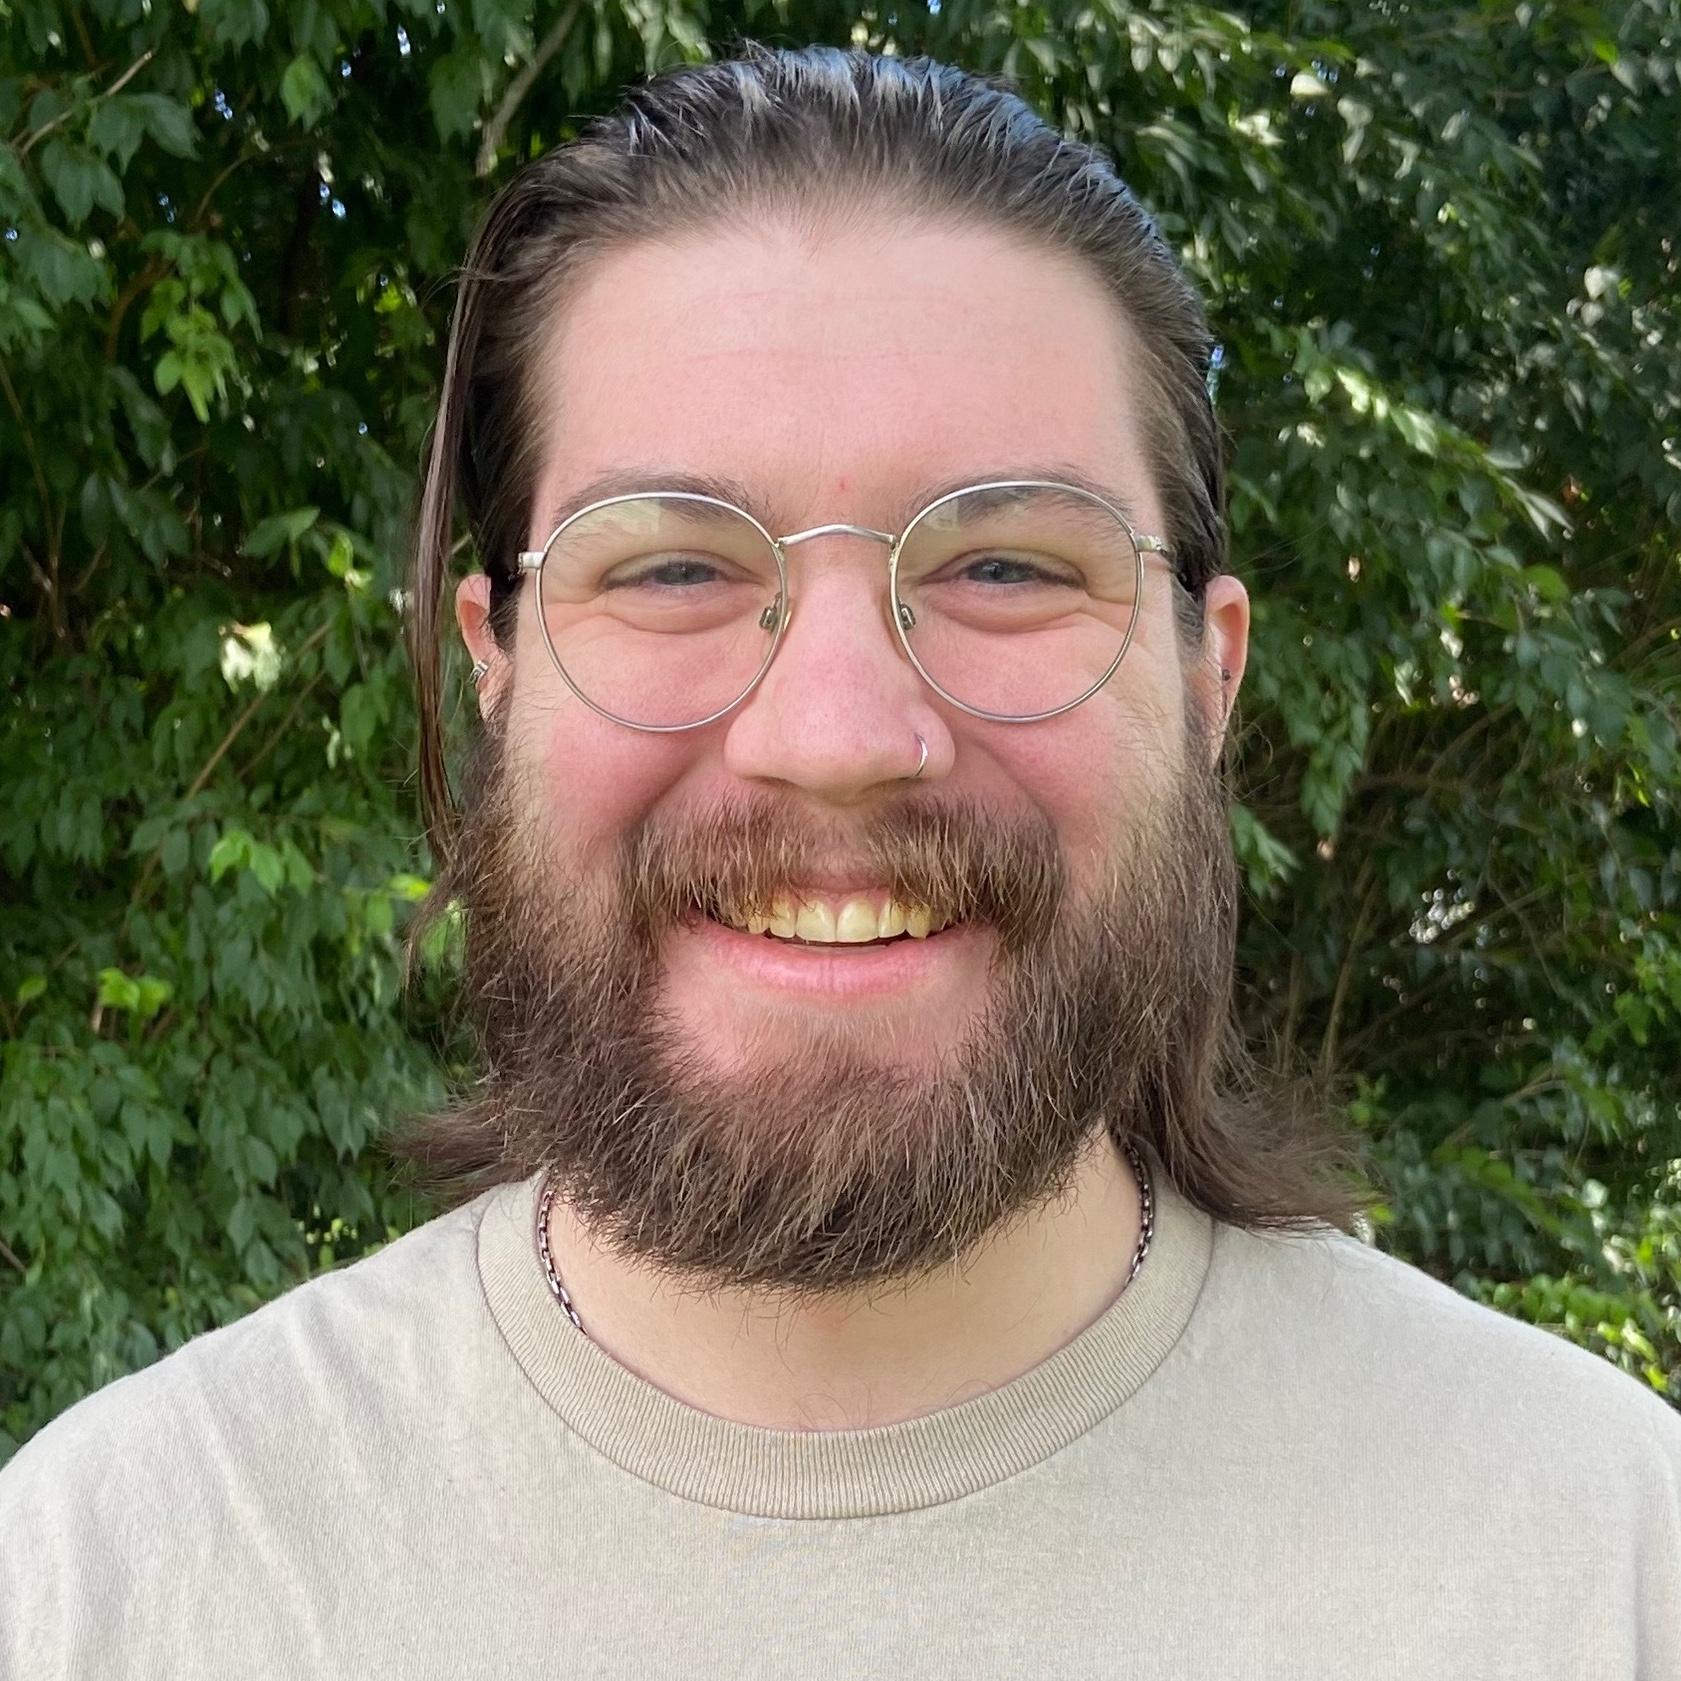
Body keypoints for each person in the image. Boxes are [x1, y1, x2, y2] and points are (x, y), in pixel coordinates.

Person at [3, 42, 1676, 1678]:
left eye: (1006, 566)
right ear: (493, 665)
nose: (835, 733)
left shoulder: (1607, 1565)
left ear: (1206, 678)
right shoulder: (104, 1583)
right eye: (670, 569)